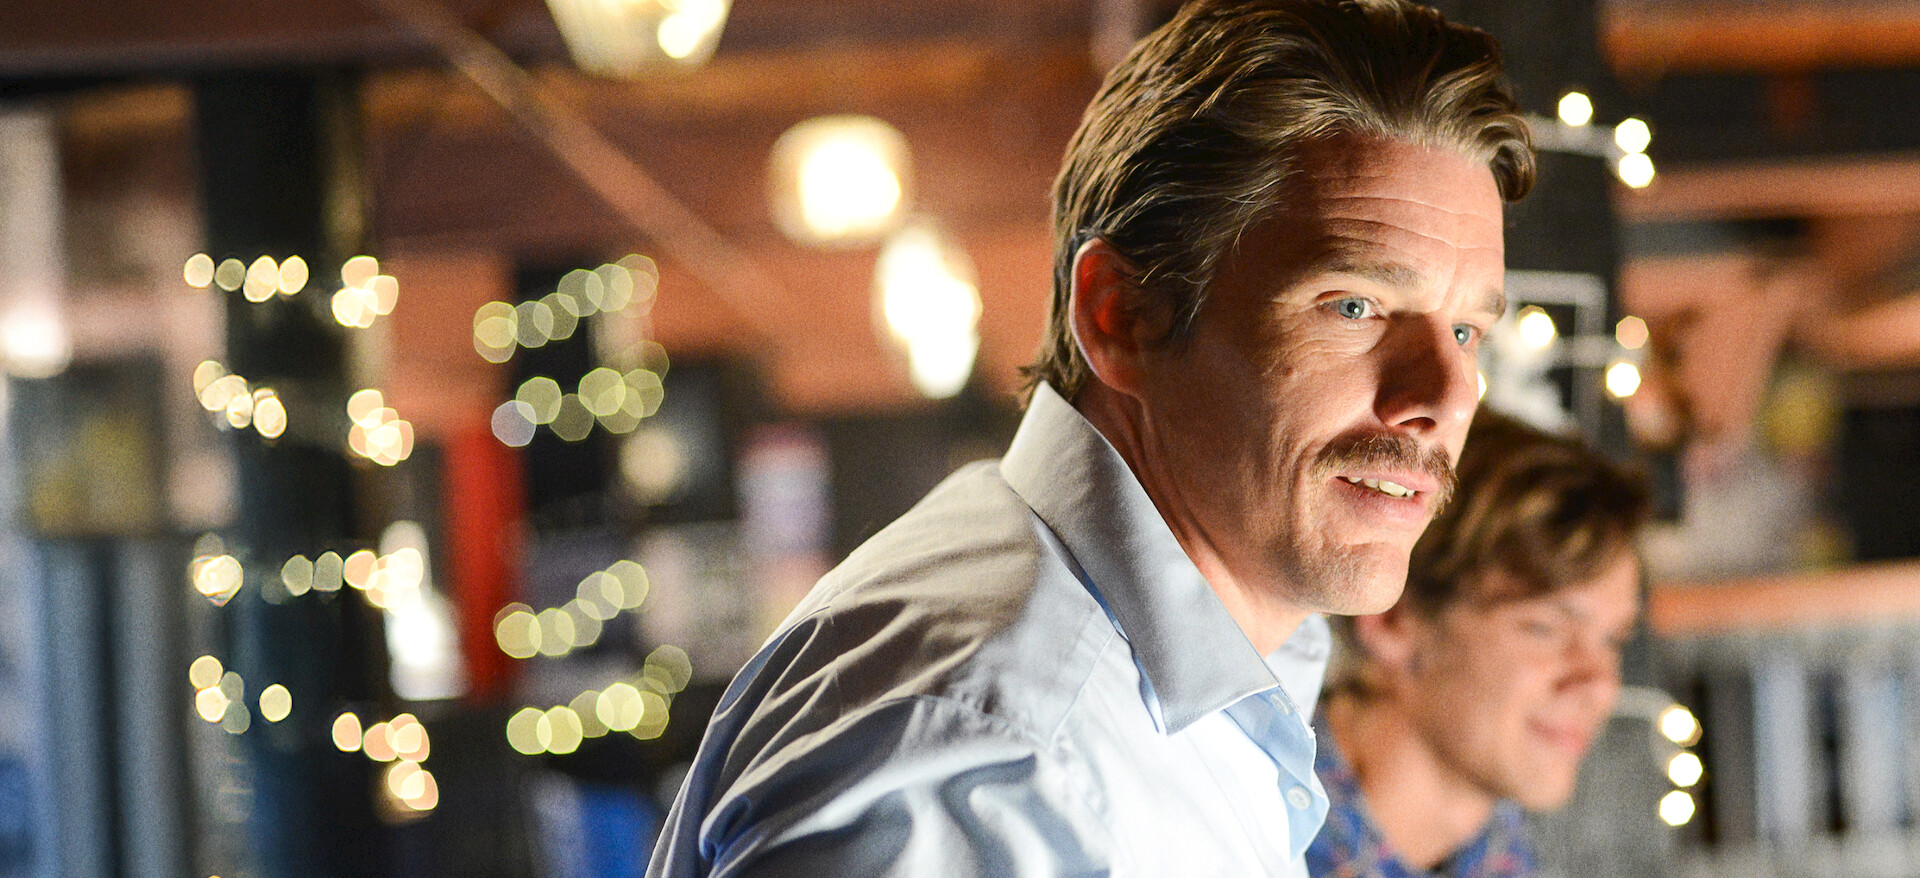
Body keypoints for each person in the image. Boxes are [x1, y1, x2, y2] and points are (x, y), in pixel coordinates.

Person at [649, 1, 1533, 874]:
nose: (1447, 397)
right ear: (1122, 317)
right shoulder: (996, 769)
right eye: (1355, 306)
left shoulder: (1158, 676)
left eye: (1466, 331)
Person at [1306, 410, 1652, 878]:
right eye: (1545, 628)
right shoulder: (1247, 827)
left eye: (1612, 640)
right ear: (1392, 620)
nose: (1600, 686)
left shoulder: (1510, 861)